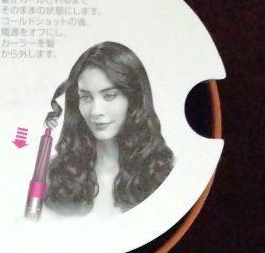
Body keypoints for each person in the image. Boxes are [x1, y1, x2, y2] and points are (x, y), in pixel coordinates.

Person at [44, 41, 174, 217]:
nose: (95, 111)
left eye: (109, 96)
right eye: (86, 97)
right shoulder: (55, 173)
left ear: (134, 99)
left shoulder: (166, 172)